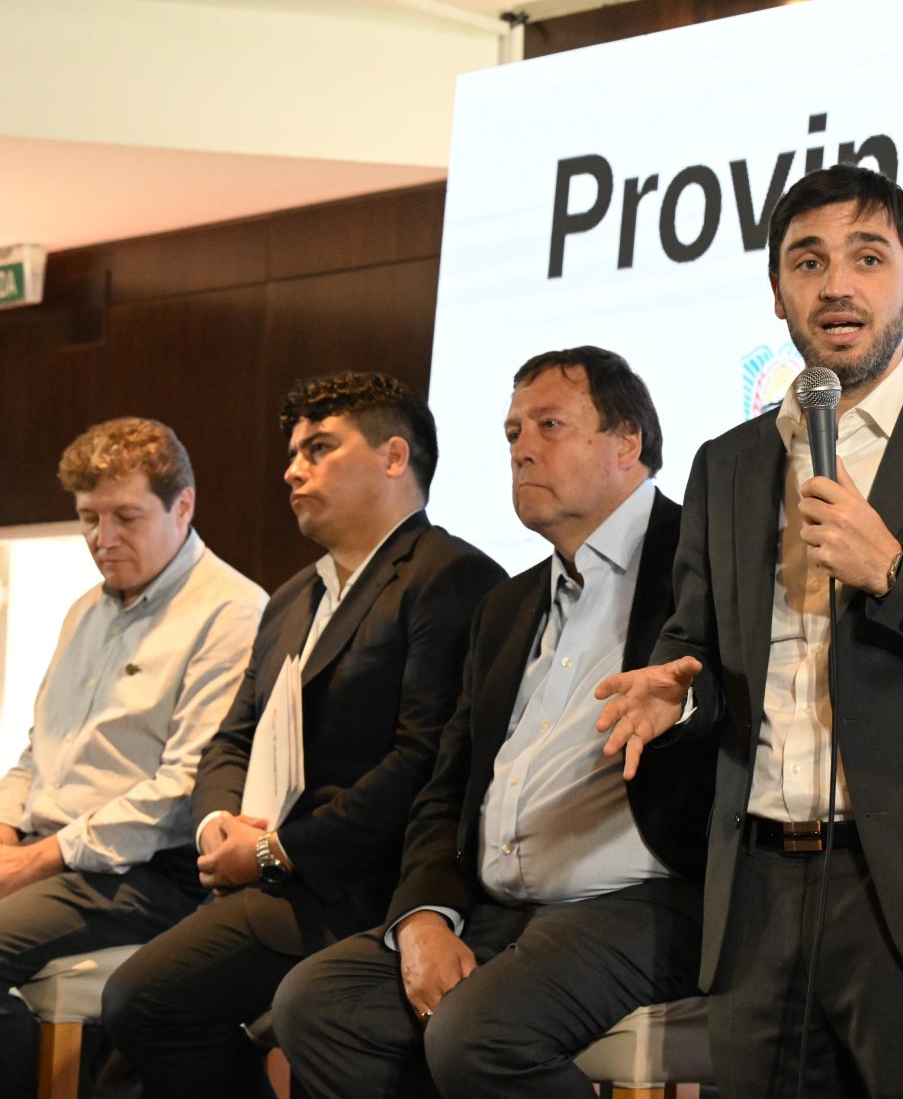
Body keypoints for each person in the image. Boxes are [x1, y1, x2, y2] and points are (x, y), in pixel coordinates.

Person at [595, 164, 903, 1098]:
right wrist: (678, 690)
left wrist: (897, 573)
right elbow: (696, 639)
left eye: (868, 259)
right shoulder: (728, 464)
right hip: (757, 897)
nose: (836, 285)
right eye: (808, 262)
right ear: (777, 292)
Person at [271, 347, 715, 1099]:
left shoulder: (703, 561)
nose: (521, 450)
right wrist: (424, 916)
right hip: (499, 904)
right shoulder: (506, 605)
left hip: (646, 897)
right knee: (318, 1006)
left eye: (549, 425)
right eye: (512, 433)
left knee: (477, 1034)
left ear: (627, 442)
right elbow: (446, 788)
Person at [102, 371, 505, 1099]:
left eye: (319, 448)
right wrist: (219, 826)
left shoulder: (451, 576)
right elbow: (231, 740)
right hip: (269, 876)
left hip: (360, 885)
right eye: (292, 453)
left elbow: (425, 762)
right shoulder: (292, 597)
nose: (292, 470)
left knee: (143, 1000)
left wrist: (275, 851)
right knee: (128, 1059)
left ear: (394, 457)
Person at [0, 418, 264, 1095]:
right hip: (51, 850)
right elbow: (37, 749)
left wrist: (35, 859)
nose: (102, 538)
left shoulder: (231, 613)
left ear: (183, 506)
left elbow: (184, 789)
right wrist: (5, 830)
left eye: (125, 517)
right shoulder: (84, 610)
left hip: (145, 873)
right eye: (89, 518)